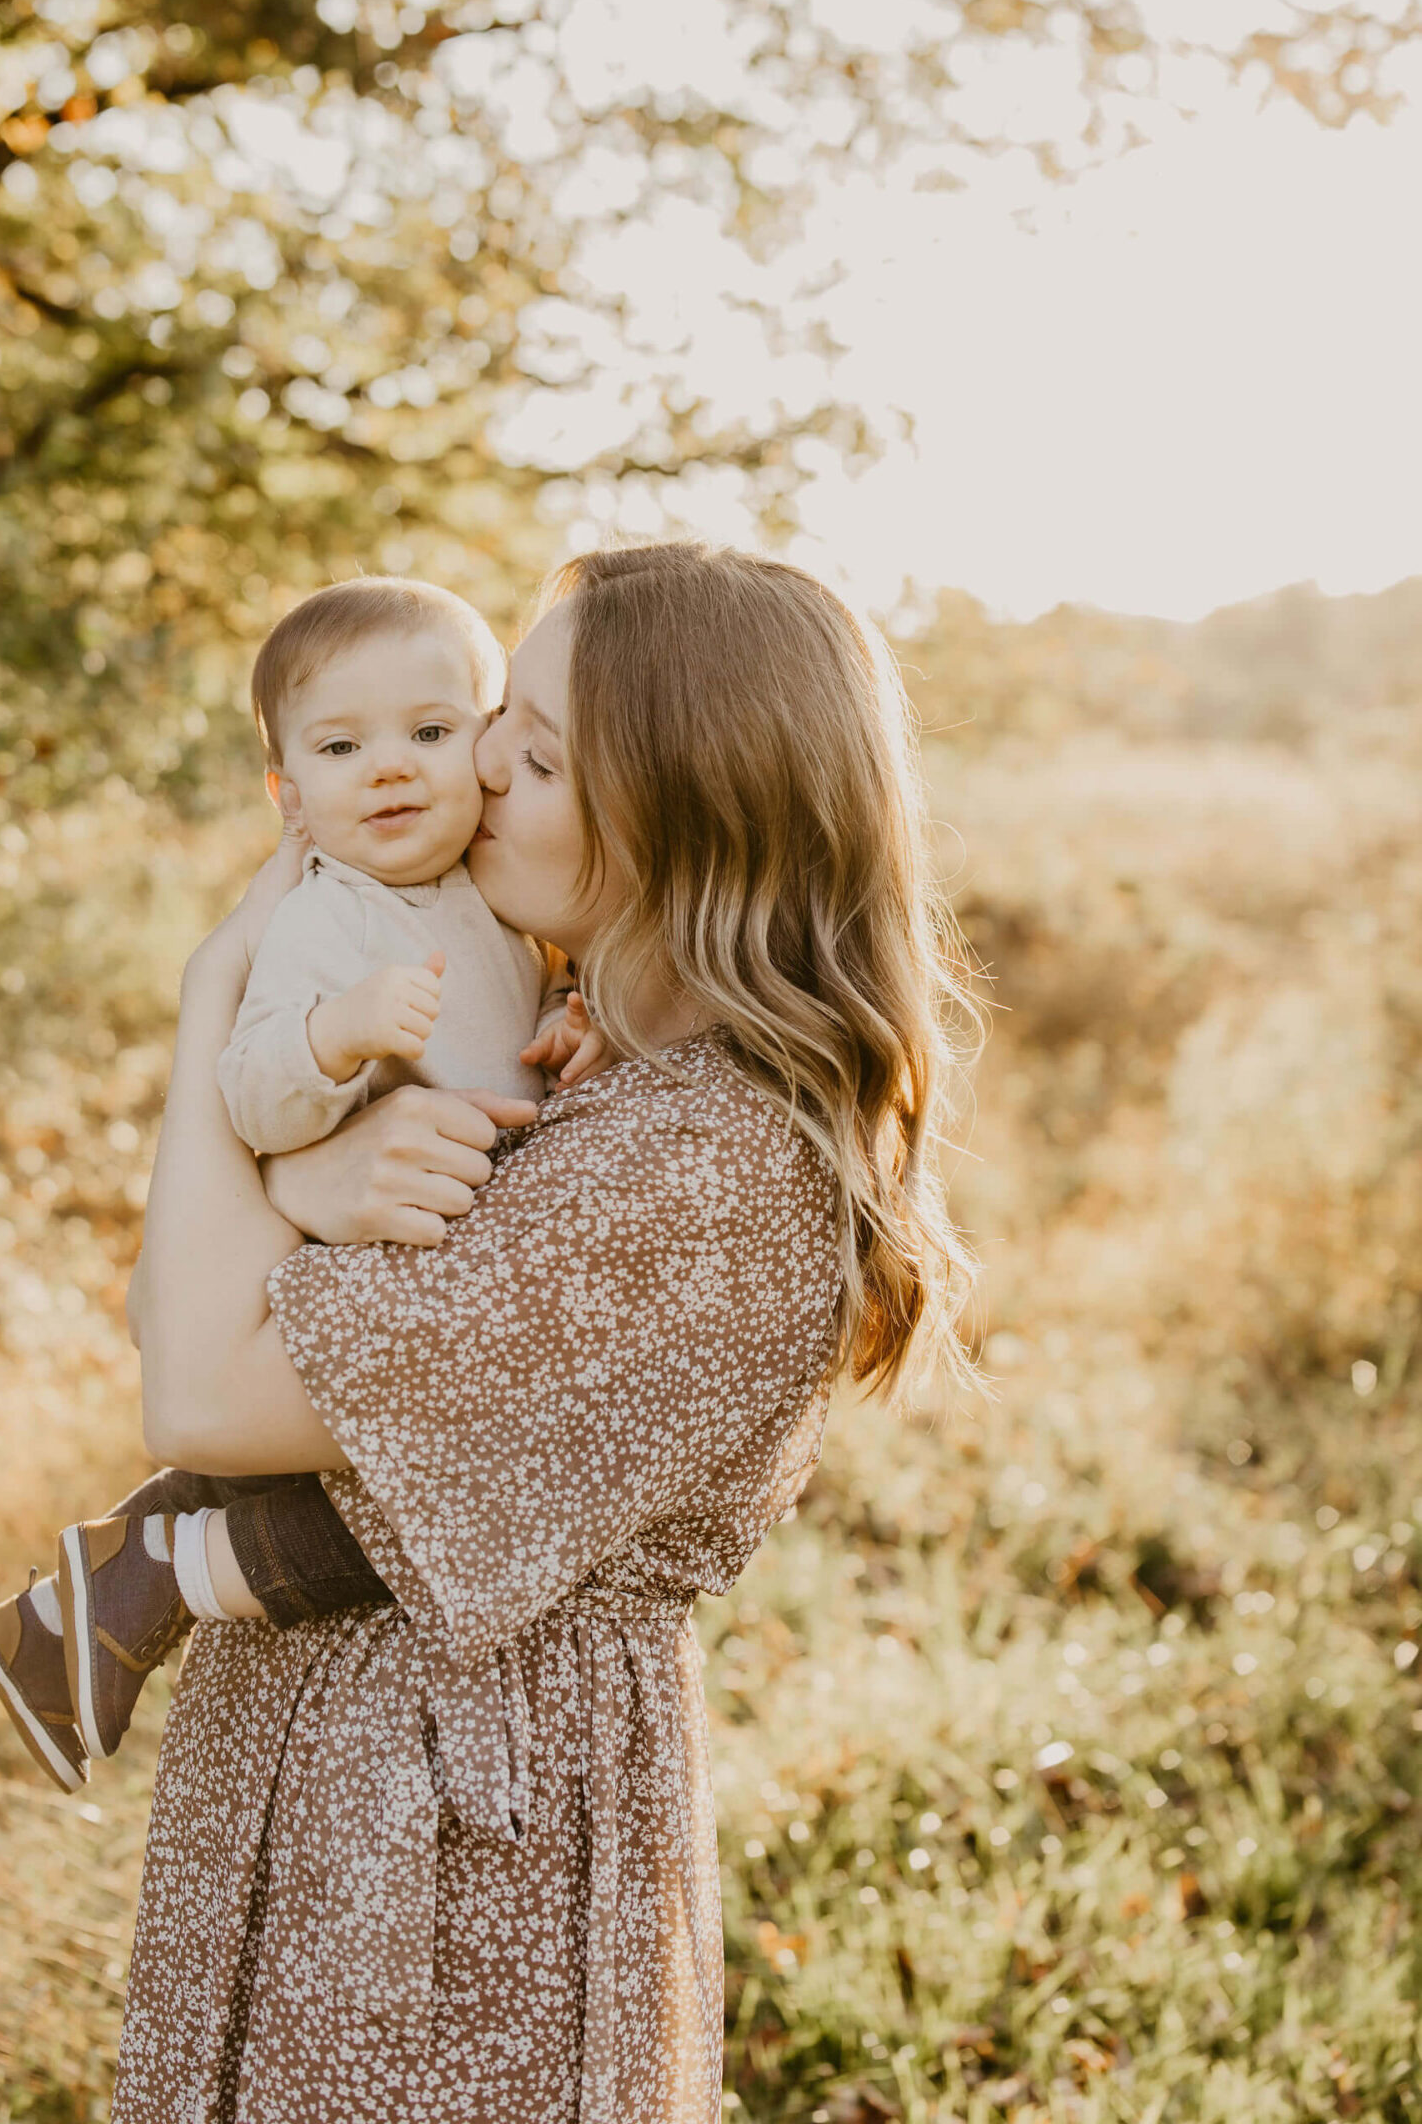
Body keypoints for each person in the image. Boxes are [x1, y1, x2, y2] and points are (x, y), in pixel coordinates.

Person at [123, 540, 976, 2124]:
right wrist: (313, 1155)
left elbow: (199, 1386)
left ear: (679, 802)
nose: (473, 779)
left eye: (527, 748)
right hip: (365, 1789)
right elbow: (214, 1300)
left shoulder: (696, 1159)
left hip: (441, 1855)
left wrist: (209, 1002)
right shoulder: (590, 1075)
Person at [0, 576, 600, 1788]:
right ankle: (98, 1603)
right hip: (363, 1267)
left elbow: (513, 1022)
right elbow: (251, 1090)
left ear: (489, 738)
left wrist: (574, 1010)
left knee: (412, 1491)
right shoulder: (328, 921)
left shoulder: (496, 902)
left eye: (430, 729)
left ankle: (91, 1602)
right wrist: (337, 1035)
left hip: (440, 1253)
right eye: (342, 745)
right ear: (288, 794)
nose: (392, 769)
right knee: (393, 1496)